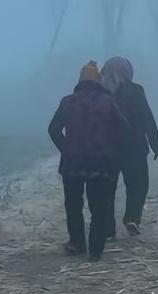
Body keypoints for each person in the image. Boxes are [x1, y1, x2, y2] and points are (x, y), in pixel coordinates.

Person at [47, 61, 124, 259]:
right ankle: (96, 251)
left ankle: (77, 243)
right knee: (99, 206)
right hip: (101, 162)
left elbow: (53, 129)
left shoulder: (68, 101)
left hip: (73, 163)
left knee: (73, 205)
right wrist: (111, 150)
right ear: (98, 80)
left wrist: (66, 149)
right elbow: (123, 129)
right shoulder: (108, 102)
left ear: (80, 79)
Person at [100, 56, 158, 236]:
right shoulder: (136, 90)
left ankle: (108, 229)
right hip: (134, 147)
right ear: (128, 72)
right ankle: (132, 218)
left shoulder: (99, 93)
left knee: (106, 189)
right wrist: (155, 143)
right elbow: (147, 117)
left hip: (106, 149)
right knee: (138, 184)